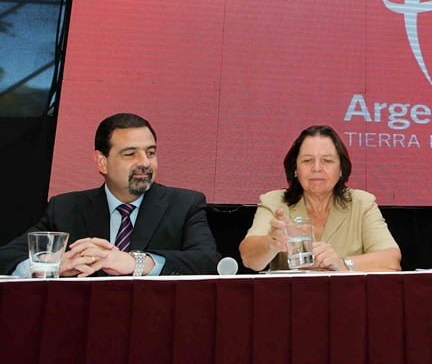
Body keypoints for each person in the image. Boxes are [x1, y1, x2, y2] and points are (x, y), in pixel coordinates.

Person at [0, 113, 221, 276]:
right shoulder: (66, 207)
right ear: (102, 162)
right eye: (130, 154)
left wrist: (137, 263)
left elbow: (208, 261)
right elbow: (7, 257)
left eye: (150, 152)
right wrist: (53, 265)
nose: (145, 163)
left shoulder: (184, 204)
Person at [239, 125, 401, 272]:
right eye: (308, 160)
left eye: (327, 161)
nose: (317, 168)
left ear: (341, 170)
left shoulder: (362, 203)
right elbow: (249, 259)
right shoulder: (275, 202)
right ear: (295, 169)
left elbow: (391, 261)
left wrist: (343, 263)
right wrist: (270, 243)